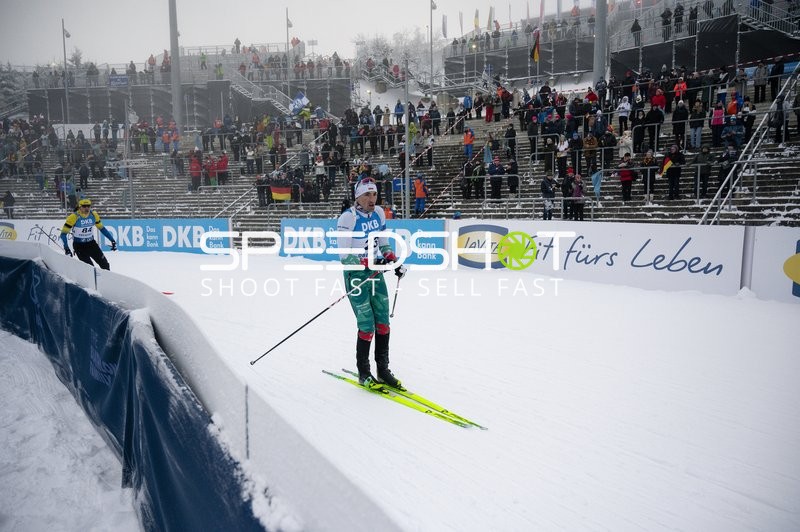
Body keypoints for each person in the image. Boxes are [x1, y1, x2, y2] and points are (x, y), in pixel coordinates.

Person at [336, 178, 407, 388]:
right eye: (367, 194)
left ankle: (383, 370)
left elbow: (384, 244)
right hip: (356, 276)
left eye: (374, 194)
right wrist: (371, 261)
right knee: (367, 324)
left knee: (383, 322)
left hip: (376, 274)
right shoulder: (348, 218)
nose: (371, 199)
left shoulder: (378, 214)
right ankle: (364, 373)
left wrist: (394, 261)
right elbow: (344, 256)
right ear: (357, 196)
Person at [60, 199, 117, 270]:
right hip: (79, 246)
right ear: (79, 207)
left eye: (88, 206)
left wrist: (112, 240)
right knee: (90, 269)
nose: (87, 208)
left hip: (91, 244)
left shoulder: (93, 215)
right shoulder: (73, 217)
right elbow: (63, 234)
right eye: (84, 206)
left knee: (105, 265)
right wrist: (67, 249)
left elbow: (102, 228)